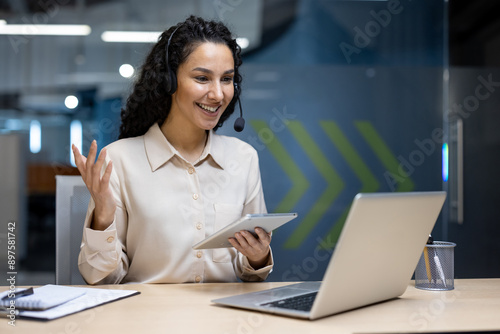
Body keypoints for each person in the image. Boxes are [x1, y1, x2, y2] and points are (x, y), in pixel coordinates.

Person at [71, 15, 273, 284]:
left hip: (220, 320)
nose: (217, 94)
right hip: (147, 320)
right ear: (169, 81)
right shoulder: (119, 161)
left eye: (226, 79)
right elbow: (101, 279)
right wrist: (103, 217)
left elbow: (251, 273)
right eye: (202, 78)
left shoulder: (243, 158)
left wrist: (258, 256)